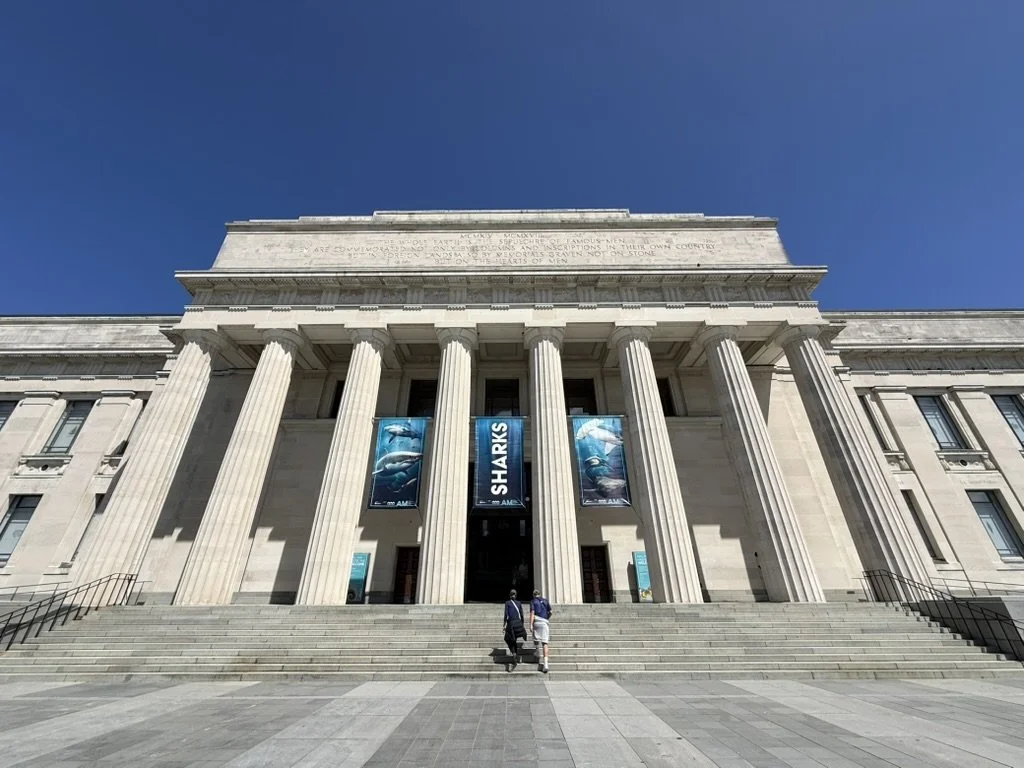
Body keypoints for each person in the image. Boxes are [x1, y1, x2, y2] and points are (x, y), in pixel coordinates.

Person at [502, 589, 528, 671]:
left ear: (510, 595)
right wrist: (522, 625)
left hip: (511, 624)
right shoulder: (519, 603)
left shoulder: (507, 603)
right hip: (518, 623)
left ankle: (514, 655)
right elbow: (522, 614)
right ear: (516, 595)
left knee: (507, 638)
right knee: (514, 640)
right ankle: (515, 656)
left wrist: (504, 625)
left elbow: (506, 614)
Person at [530, 589, 553, 673]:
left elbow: (532, 613)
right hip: (544, 622)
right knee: (545, 643)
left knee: (535, 637)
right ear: (539, 594)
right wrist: (546, 618)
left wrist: (530, 624)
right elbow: (550, 611)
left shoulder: (533, 601)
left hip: (536, 621)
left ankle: (536, 650)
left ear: (533, 595)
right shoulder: (545, 601)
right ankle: (546, 664)